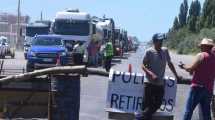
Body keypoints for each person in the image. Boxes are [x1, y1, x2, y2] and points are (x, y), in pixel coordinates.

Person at [140, 33, 180, 120]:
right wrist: (151, 74)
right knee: (146, 105)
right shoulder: (149, 51)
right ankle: (143, 116)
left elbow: (170, 63)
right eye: (159, 40)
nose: (161, 42)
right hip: (149, 83)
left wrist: (176, 75)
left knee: (157, 104)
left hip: (160, 83)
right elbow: (143, 65)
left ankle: (141, 117)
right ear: (154, 41)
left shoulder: (165, 50)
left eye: (162, 40)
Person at [179, 38, 215, 120]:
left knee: (188, 111)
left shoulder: (201, 55)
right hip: (209, 89)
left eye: (202, 46)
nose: (200, 47)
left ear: (205, 46)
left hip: (197, 87)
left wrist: (183, 66)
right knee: (206, 113)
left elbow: (190, 69)